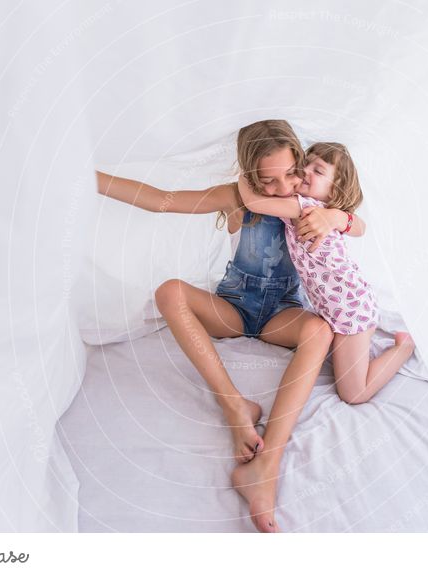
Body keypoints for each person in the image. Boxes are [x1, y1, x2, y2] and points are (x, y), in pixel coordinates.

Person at [96, 120, 368, 533]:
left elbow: (358, 223)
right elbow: (160, 201)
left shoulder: (312, 204)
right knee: (170, 292)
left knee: (319, 331)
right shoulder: (237, 198)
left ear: (301, 162)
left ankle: (267, 464)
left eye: (291, 173)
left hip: (282, 312)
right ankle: (234, 406)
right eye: (267, 180)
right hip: (235, 308)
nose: (282, 188)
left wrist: (338, 219)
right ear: (248, 176)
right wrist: (88, 177)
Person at [238, 142, 416, 405]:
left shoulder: (306, 207)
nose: (306, 171)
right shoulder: (311, 208)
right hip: (336, 308)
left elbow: (254, 202)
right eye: (306, 163)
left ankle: (404, 348)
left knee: (354, 394)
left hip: (350, 311)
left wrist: (244, 173)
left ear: (335, 189)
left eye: (318, 170)